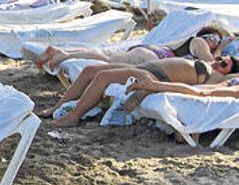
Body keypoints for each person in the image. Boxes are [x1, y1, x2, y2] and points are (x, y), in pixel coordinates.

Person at [40, 56, 239, 127]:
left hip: (157, 76)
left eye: (224, 64)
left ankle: (74, 116)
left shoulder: (220, 79)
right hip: (149, 66)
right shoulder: (210, 61)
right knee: (90, 70)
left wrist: (155, 85)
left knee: (103, 78)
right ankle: (55, 107)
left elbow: (202, 93)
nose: (219, 62)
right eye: (222, 58)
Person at [36, 27, 227, 70]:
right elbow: (211, 65)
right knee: (108, 60)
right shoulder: (198, 42)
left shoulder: (189, 41)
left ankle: (62, 52)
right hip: (149, 56)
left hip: (146, 51)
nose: (213, 42)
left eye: (216, 41)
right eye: (213, 38)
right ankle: (64, 55)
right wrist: (221, 48)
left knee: (105, 56)